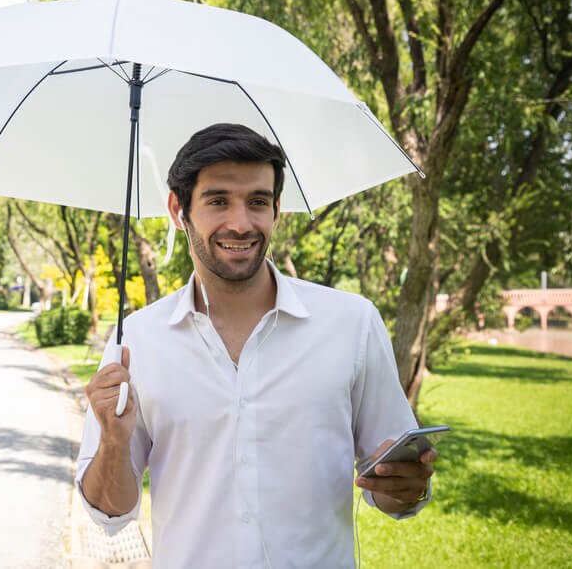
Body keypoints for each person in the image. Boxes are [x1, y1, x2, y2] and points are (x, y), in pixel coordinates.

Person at [76, 124, 437, 568]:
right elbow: (110, 511)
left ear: (276, 210)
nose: (241, 223)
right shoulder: (136, 341)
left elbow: (397, 486)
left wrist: (404, 486)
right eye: (218, 200)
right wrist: (112, 443)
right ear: (178, 209)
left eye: (258, 202)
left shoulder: (352, 324)